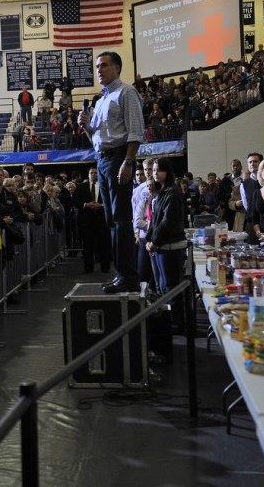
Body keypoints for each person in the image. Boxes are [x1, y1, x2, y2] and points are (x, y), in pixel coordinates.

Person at [80, 51, 145, 293]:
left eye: (104, 65)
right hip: (102, 159)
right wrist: (86, 126)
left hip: (119, 157)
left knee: (122, 220)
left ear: (117, 68)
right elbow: (95, 140)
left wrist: (128, 163)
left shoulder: (126, 93)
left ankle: (129, 275)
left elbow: (136, 131)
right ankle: (121, 274)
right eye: (97, 66)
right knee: (111, 221)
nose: (99, 70)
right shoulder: (99, 102)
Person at [145, 157, 187, 324]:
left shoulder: (172, 192)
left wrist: (154, 241)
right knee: (163, 287)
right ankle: (172, 322)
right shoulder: (161, 191)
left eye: (159, 170)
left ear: (167, 172)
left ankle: (178, 323)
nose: (155, 173)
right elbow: (154, 220)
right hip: (161, 245)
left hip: (171, 246)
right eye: (154, 170)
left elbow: (166, 222)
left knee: (171, 288)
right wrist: (149, 239)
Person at [72, 167, 110, 273]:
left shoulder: (104, 186)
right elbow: (75, 201)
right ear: (88, 175)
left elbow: (110, 200)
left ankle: (105, 267)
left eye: (95, 173)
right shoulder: (81, 187)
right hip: (86, 221)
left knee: (103, 245)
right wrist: (86, 205)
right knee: (87, 246)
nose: (93, 175)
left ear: (98, 174)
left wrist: (101, 205)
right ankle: (88, 268)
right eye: (91, 173)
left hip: (102, 220)